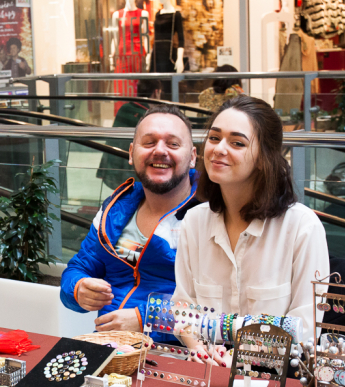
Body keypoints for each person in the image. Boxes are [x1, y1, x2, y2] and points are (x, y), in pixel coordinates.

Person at [172, 96, 329, 365]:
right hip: (208, 374)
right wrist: (200, 350)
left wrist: (238, 356)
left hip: (275, 381)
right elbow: (183, 309)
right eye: (214, 138)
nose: (219, 149)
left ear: (263, 158)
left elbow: (305, 328)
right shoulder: (194, 222)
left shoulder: (302, 227)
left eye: (237, 143)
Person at [61, 105, 200, 342]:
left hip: (179, 359)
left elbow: (218, 306)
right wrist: (77, 288)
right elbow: (79, 268)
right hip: (112, 352)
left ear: (193, 156)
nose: (160, 151)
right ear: (131, 153)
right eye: (149, 142)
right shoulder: (116, 211)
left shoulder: (209, 215)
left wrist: (146, 318)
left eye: (173, 144)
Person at [97, 78, 163, 190]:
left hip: (114, 170)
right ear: (156, 92)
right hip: (133, 175)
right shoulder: (149, 117)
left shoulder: (125, 108)